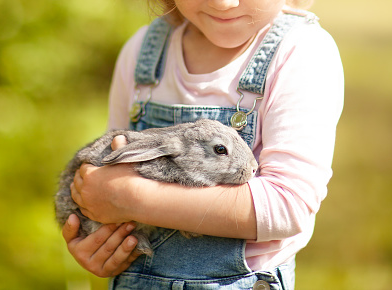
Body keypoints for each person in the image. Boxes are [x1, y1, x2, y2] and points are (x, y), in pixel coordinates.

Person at [63, 0, 344, 288]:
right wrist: (98, 241)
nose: (223, 3)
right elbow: (109, 162)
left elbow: (285, 206)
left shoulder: (301, 53)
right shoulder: (142, 53)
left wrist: (132, 197)